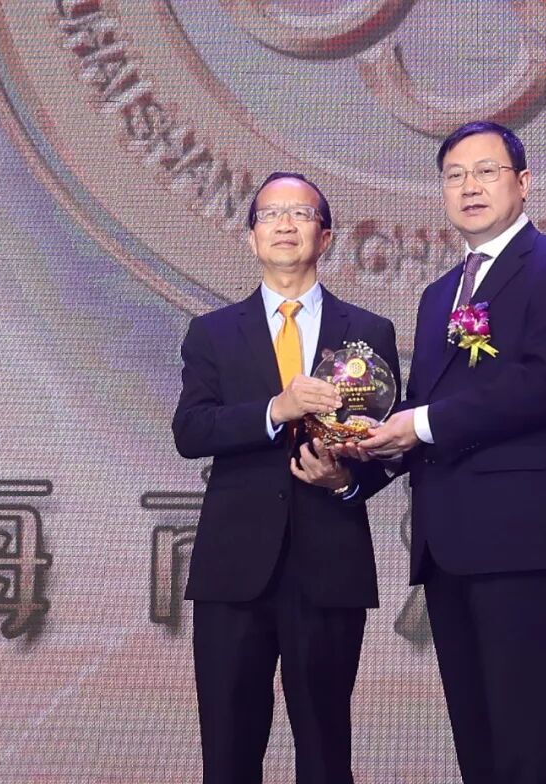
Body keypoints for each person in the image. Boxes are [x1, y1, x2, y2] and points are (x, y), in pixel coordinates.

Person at [355, 122, 546, 782]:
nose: (470, 186)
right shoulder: (439, 294)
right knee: (480, 746)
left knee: (528, 744)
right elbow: (420, 408)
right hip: (446, 547)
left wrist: (419, 424)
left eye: (486, 171)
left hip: (519, 540)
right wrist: (353, 468)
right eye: (455, 175)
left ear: (523, 183)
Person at [171, 171, 400, 784]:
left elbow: (388, 445)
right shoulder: (213, 332)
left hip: (328, 563)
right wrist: (278, 408)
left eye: (300, 213)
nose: (285, 224)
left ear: (325, 237)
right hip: (233, 568)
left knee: (325, 750)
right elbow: (191, 430)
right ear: (251, 237)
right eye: (270, 214)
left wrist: (344, 482)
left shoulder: (369, 332)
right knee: (229, 748)